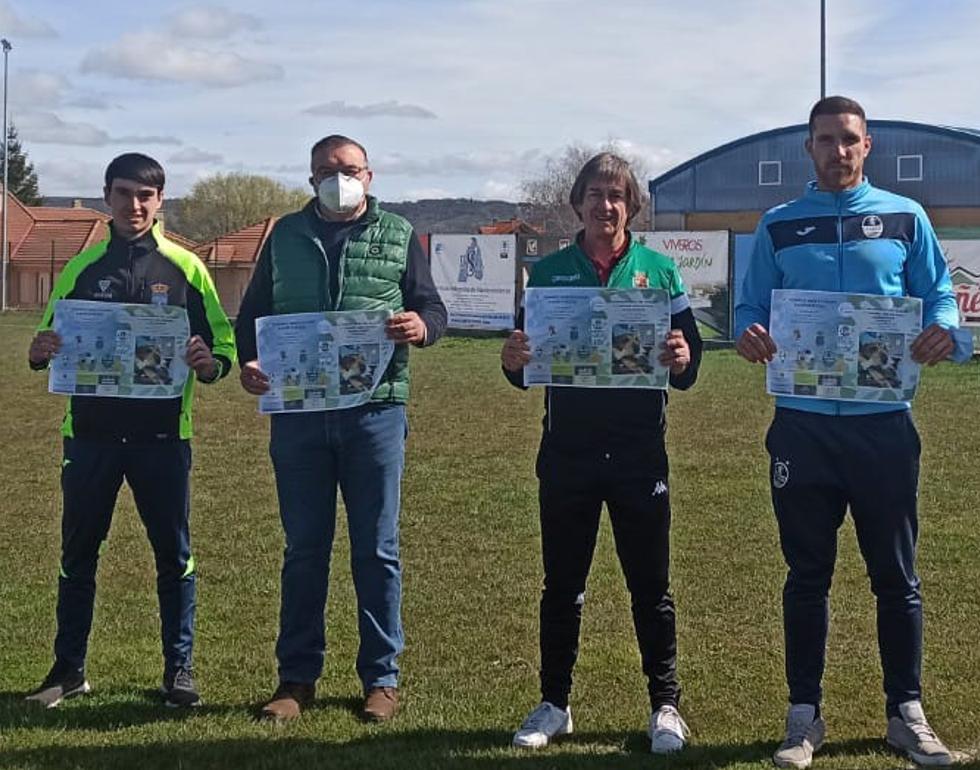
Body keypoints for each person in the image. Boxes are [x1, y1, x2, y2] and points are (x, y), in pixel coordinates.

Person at [734, 96, 960, 769]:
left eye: (849, 140)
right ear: (809, 147)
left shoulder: (905, 217)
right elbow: (749, 305)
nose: (838, 151)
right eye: (826, 140)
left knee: (897, 575)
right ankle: (803, 715)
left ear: (869, 146)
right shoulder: (778, 225)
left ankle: (906, 712)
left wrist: (947, 327)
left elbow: (941, 293)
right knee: (807, 575)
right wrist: (747, 333)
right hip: (802, 428)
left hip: (883, 426)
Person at [234, 134, 447, 723]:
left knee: (376, 550)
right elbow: (252, 318)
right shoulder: (284, 236)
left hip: (375, 411)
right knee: (304, 549)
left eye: (349, 170)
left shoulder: (400, 235)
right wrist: (251, 362)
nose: (339, 179)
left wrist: (419, 327)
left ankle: (381, 678)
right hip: (299, 415)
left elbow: (434, 310)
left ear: (370, 176)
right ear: (310, 180)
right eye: (327, 171)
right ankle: (296, 679)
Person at [500, 152, 702, 754]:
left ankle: (665, 705)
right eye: (594, 193)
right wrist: (512, 361)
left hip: (640, 453)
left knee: (651, 587)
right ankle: (554, 704)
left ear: (630, 206)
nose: (604, 205)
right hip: (568, 452)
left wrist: (683, 358)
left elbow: (689, 364)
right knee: (562, 584)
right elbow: (522, 364)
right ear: (577, 203)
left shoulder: (661, 273)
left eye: (616, 195)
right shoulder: (551, 273)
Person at [25, 152, 236, 709]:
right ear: (106, 197)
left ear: (161, 200)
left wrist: (208, 362)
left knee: (174, 556)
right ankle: (68, 670)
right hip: (90, 436)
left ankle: (179, 672)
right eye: (123, 193)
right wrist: (41, 349)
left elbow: (222, 347)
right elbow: (48, 337)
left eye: (146, 195)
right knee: (78, 555)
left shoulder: (188, 269)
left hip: (163, 438)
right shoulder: (82, 267)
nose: (134, 205)